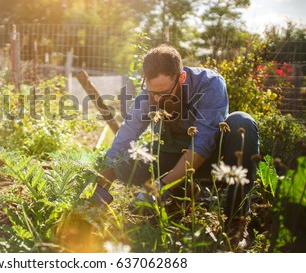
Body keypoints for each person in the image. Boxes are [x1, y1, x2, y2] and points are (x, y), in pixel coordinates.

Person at [90, 44, 259, 243]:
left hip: (212, 160)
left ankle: (235, 224)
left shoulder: (210, 84)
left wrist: (160, 187)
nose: (157, 98)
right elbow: (123, 140)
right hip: (171, 157)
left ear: (181, 78)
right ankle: (181, 194)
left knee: (242, 123)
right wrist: (100, 192)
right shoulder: (148, 95)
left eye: (163, 93)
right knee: (126, 161)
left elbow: (203, 144)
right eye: (152, 92)